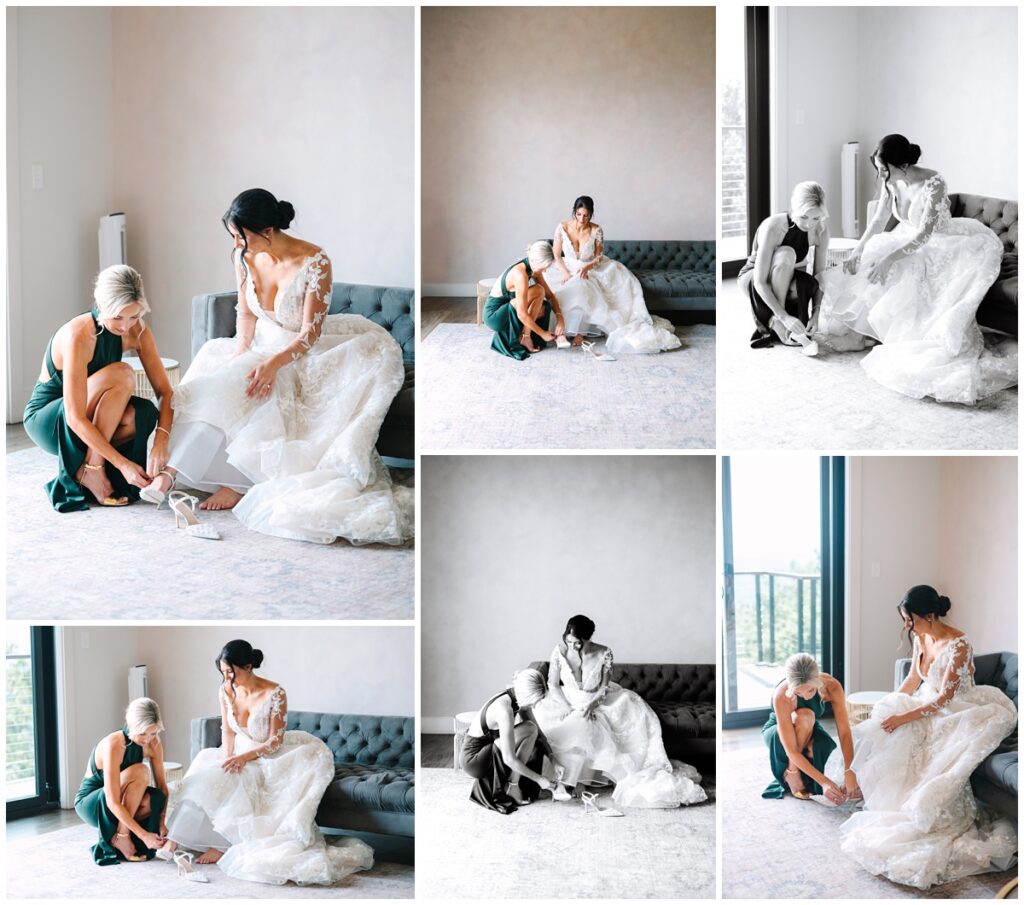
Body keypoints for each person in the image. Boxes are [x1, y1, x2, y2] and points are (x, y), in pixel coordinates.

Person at [140, 188, 412, 544]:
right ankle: (193, 475)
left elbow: (309, 336)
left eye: (242, 235)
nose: (237, 243)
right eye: (233, 236)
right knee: (217, 376)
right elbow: (246, 312)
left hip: (295, 353)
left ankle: (179, 478)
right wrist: (240, 353)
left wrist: (272, 364)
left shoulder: (315, 261)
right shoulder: (242, 256)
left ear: (266, 230)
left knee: (249, 383)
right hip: (256, 346)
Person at [824, 586, 1018, 889]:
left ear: (929, 615)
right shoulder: (919, 637)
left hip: (955, 709)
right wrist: (889, 707)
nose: (907, 627)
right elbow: (913, 680)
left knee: (916, 736)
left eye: (910, 620)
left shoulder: (959, 644)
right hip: (923, 703)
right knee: (887, 724)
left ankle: (920, 809)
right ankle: (862, 784)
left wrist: (903, 716)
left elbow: (945, 697)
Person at [817, 134, 1017, 403]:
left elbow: (925, 234)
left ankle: (904, 336)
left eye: (884, 168)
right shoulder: (889, 181)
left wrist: (892, 259)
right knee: (875, 252)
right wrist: (859, 248)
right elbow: (879, 219)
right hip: (907, 237)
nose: (880, 174)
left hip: (945, 243)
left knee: (905, 265)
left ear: (902, 166)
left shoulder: (934, 182)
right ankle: (861, 332)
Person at [159, 640, 373, 885]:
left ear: (248, 666)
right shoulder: (226, 689)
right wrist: (228, 756)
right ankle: (174, 838)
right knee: (205, 766)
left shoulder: (275, 693)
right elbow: (227, 730)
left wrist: (243, 758)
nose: (227, 678)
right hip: (236, 750)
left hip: (265, 755)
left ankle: (220, 845)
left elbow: (275, 742)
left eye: (231, 672)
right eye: (223, 672)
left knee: (240, 778)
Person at [23, 265, 172, 511]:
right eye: (117, 317)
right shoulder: (79, 334)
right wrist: (123, 464)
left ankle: (92, 467)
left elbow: (166, 393)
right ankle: (93, 469)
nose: (125, 326)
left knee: (141, 415)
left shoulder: (138, 330)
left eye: (133, 316)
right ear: (101, 305)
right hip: (52, 420)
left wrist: (161, 441)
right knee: (122, 373)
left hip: (90, 417)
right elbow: (74, 417)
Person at [531, 615, 707, 809]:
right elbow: (553, 684)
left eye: (578, 643)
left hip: (596, 699)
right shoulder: (559, 651)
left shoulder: (604, 653)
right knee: (553, 721)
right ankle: (565, 780)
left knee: (585, 722)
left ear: (588, 639)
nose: (573, 646)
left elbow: (605, 688)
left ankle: (569, 785)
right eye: (569, 640)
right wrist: (566, 707)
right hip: (566, 699)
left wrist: (592, 704)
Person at [544, 196, 681, 355]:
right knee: (560, 284)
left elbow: (598, 257)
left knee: (583, 285)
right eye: (579, 214)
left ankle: (580, 333)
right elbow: (556, 254)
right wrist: (565, 272)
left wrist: (587, 267)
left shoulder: (596, 230)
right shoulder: (562, 227)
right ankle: (561, 330)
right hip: (567, 266)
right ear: (574, 212)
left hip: (590, 267)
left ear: (591, 214)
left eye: (586, 215)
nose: (582, 219)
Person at [75, 697, 168, 865]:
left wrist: (162, 821)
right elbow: (112, 801)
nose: (148, 739)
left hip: (119, 801)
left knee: (151, 800)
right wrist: (143, 835)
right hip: (94, 804)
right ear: (131, 725)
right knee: (140, 771)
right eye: (142, 734)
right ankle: (122, 837)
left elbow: (162, 787)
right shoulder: (114, 744)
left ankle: (120, 835)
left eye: (153, 733)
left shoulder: (154, 743)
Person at [738, 182, 829, 353]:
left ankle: (778, 318)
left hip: (784, 280)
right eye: (803, 217)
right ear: (794, 209)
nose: (809, 224)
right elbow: (760, 282)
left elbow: (820, 278)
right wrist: (784, 316)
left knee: (808, 283)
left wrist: (816, 314)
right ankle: (777, 322)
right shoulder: (774, 226)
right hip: (753, 280)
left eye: (816, 218)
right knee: (786, 253)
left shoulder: (821, 231)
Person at [460, 669, 563, 814]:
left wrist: (553, 759)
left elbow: (537, 732)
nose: (534, 706)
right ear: (526, 695)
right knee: (529, 728)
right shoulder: (504, 709)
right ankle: (513, 786)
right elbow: (509, 759)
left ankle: (513, 785)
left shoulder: (516, 696)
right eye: (533, 702)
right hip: (474, 760)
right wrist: (540, 779)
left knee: (532, 730)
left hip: (489, 749)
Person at [761, 652, 857, 802]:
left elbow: (844, 732)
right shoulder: (781, 695)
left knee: (818, 744)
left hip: (809, 727)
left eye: (811, 690)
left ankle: (805, 773)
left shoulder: (832, 686)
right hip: (779, 731)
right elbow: (791, 751)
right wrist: (824, 781)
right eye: (798, 692)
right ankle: (792, 772)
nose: (805, 697)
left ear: (818, 679)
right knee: (805, 716)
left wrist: (850, 770)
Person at [483, 241, 566, 359]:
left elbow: (550, 295)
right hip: (494, 316)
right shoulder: (520, 274)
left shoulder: (532, 268)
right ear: (534, 261)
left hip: (509, 308)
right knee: (538, 290)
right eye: (544, 268)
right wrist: (543, 334)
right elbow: (521, 314)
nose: (545, 271)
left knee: (543, 307)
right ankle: (525, 337)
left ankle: (525, 336)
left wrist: (559, 316)